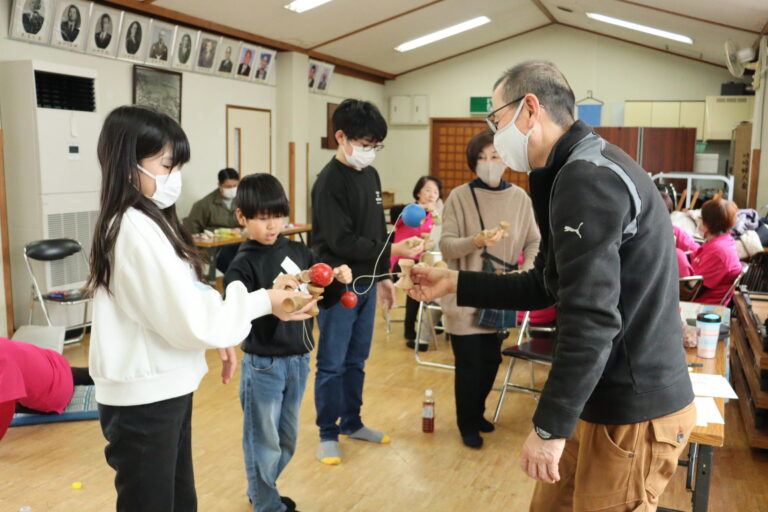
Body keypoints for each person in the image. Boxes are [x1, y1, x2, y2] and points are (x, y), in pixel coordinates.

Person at [409, 61, 696, 512]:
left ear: (530, 109)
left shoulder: (587, 177)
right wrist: (454, 281)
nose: (495, 135)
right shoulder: (570, 170)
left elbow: (592, 316)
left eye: (496, 120)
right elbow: (546, 284)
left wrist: (549, 427)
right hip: (594, 392)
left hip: (631, 406)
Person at [87, 105, 314, 512]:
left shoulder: (148, 222)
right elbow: (191, 319)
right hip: (145, 398)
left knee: (180, 500)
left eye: (177, 167)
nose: (174, 177)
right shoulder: (132, 229)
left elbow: (188, 294)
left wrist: (224, 324)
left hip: (165, 386)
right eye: (166, 165)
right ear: (126, 164)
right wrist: (261, 302)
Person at [225, 173, 352, 512]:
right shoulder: (241, 264)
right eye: (262, 218)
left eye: (278, 216)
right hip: (264, 365)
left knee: (286, 440)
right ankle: (266, 503)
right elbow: (236, 313)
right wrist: (271, 294)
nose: (272, 225)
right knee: (262, 441)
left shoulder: (298, 250)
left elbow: (323, 298)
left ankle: (261, 490)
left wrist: (338, 280)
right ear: (242, 217)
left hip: (299, 360)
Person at [311, 98, 424, 465]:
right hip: (338, 285)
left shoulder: (370, 175)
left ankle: (352, 422)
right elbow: (341, 241)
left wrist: (385, 276)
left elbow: (375, 231)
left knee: (357, 360)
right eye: (365, 144)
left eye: (376, 145)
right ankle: (327, 432)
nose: (370, 151)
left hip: (367, 282)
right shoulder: (329, 182)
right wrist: (395, 248)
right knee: (332, 362)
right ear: (341, 137)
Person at [440, 129, 540, 448]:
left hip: (501, 292)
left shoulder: (520, 198)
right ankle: (466, 423)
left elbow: (535, 241)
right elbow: (446, 246)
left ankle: (477, 412)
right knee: (469, 364)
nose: (488, 162)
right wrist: (476, 241)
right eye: (481, 158)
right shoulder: (459, 196)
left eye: (494, 156)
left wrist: (527, 270)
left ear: (506, 160)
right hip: (464, 293)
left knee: (491, 361)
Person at [0, 338, 93, 441]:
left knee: (10, 401)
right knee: (67, 376)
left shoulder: (4, 364)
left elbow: (6, 410)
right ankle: (93, 374)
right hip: (57, 365)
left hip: (54, 398)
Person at [389, 175, 443, 350]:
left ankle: (434, 320)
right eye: (428, 190)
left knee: (441, 277)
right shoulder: (408, 211)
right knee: (417, 280)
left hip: (426, 260)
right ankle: (410, 327)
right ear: (418, 192)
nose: (432, 195)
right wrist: (420, 208)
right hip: (403, 261)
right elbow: (394, 213)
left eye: (435, 192)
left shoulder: (434, 216)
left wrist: (436, 214)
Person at [676, 198, 741, 304]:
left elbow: (691, 291)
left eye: (701, 218)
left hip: (703, 305)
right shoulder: (720, 242)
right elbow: (693, 257)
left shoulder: (719, 252)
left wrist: (678, 255)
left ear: (707, 224)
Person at [184, 168, 241, 273]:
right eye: (228, 187)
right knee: (233, 263)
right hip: (217, 248)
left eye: (235, 186)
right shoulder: (204, 204)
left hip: (239, 243)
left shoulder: (242, 201)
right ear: (219, 185)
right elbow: (192, 232)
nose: (232, 189)